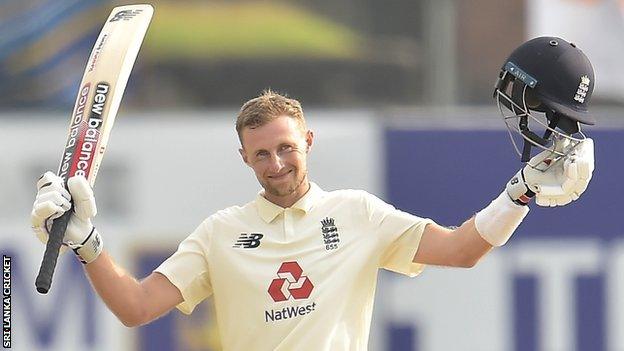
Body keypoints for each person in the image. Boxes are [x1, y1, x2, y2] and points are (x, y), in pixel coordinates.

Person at [30, 36, 595, 350]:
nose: (276, 165)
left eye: (286, 148)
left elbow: (461, 250)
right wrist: (88, 243)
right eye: (261, 154)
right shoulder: (221, 233)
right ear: (244, 158)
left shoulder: (358, 214)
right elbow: (135, 308)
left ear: (308, 141)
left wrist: (518, 193)